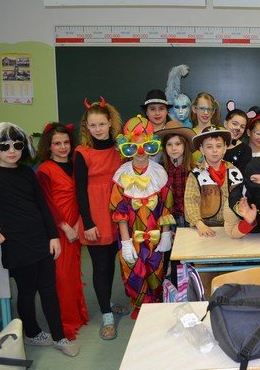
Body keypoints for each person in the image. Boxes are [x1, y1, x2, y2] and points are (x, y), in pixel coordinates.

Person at [0, 122, 79, 356]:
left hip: (41, 239)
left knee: (48, 290)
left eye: (17, 145)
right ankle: (32, 333)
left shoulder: (26, 172)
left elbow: (42, 206)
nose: (12, 150)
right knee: (26, 291)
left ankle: (59, 337)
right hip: (17, 243)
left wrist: (53, 236)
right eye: (4, 146)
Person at [111, 116, 175, 319]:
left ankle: (155, 303)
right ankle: (140, 305)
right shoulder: (121, 175)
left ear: (153, 146)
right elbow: (119, 211)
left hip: (155, 234)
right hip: (131, 235)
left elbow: (166, 207)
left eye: (146, 147)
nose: (140, 153)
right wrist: (126, 242)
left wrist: (166, 234)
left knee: (156, 269)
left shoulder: (160, 173)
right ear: (125, 148)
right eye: (133, 147)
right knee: (133, 271)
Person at [75, 97, 126, 341]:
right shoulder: (82, 153)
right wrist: (88, 223)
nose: (97, 129)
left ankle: (107, 300)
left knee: (111, 262)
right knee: (100, 265)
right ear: (87, 126)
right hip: (95, 215)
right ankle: (106, 314)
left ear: (110, 123)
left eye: (102, 124)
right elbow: (79, 190)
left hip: (116, 213)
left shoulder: (120, 149)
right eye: (92, 125)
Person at [35, 122, 88, 341]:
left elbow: (83, 195)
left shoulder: (76, 165)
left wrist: (79, 223)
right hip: (58, 229)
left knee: (74, 272)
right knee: (62, 277)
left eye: (66, 142)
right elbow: (46, 204)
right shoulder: (44, 170)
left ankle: (77, 314)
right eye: (57, 143)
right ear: (49, 146)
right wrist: (65, 227)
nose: (63, 147)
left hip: (76, 226)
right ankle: (66, 322)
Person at [155, 119, 196, 281]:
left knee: (190, 257)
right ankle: (172, 288)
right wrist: (166, 228)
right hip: (169, 219)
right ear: (164, 148)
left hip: (189, 219)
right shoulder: (161, 170)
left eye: (178, 144)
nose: (174, 148)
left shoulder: (194, 169)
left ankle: (192, 288)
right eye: (169, 144)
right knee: (170, 257)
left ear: (185, 145)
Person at [184, 126, 243, 237]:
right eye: (209, 147)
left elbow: (241, 198)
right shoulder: (196, 174)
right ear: (202, 150)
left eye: (219, 146)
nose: (214, 150)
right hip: (205, 225)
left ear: (225, 148)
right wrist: (199, 224)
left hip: (230, 224)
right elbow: (190, 201)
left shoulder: (233, 171)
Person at [223, 101, 253, 173]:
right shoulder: (214, 144)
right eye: (235, 124)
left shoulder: (246, 150)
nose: (238, 128)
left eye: (242, 127)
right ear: (225, 123)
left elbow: (241, 176)